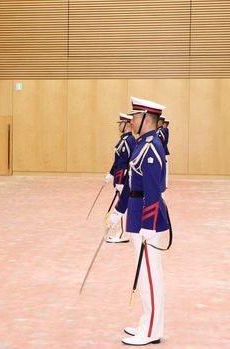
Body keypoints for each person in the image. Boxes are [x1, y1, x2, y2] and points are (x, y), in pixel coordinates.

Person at [108, 97, 171, 346]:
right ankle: (147, 321)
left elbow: (154, 189)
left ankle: (153, 329)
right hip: (136, 216)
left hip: (148, 220)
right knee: (143, 275)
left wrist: (148, 224)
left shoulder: (152, 145)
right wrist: (119, 210)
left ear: (146, 118)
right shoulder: (140, 145)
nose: (131, 120)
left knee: (150, 275)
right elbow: (134, 185)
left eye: (135, 116)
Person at [104, 113, 136, 243]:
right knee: (122, 204)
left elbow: (127, 162)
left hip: (123, 179)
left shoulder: (129, 141)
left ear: (127, 125)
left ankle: (123, 234)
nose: (119, 126)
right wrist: (111, 174)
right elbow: (117, 161)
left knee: (122, 205)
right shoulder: (124, 140)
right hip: (119, 178)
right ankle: (122, 232)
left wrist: (120, 180)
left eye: (121, 123)